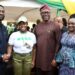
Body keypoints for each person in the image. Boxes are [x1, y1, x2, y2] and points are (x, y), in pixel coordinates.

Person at [33, 5, 61, 75]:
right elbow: (35, 45)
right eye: (43, 12)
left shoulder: (56, 26)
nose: (46, 14)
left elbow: (58, 43)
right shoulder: (37, 27)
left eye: (47, 12)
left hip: (50, 60)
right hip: (39, 60)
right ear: (40, 14)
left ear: (50, 13)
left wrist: (55, 58)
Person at [0, 5, 8, 75]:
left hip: (3, 63)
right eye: (0, 11)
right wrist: (1, 56)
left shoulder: (4, 28)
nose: (1, 13)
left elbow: (6, 43)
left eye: (3, 11)